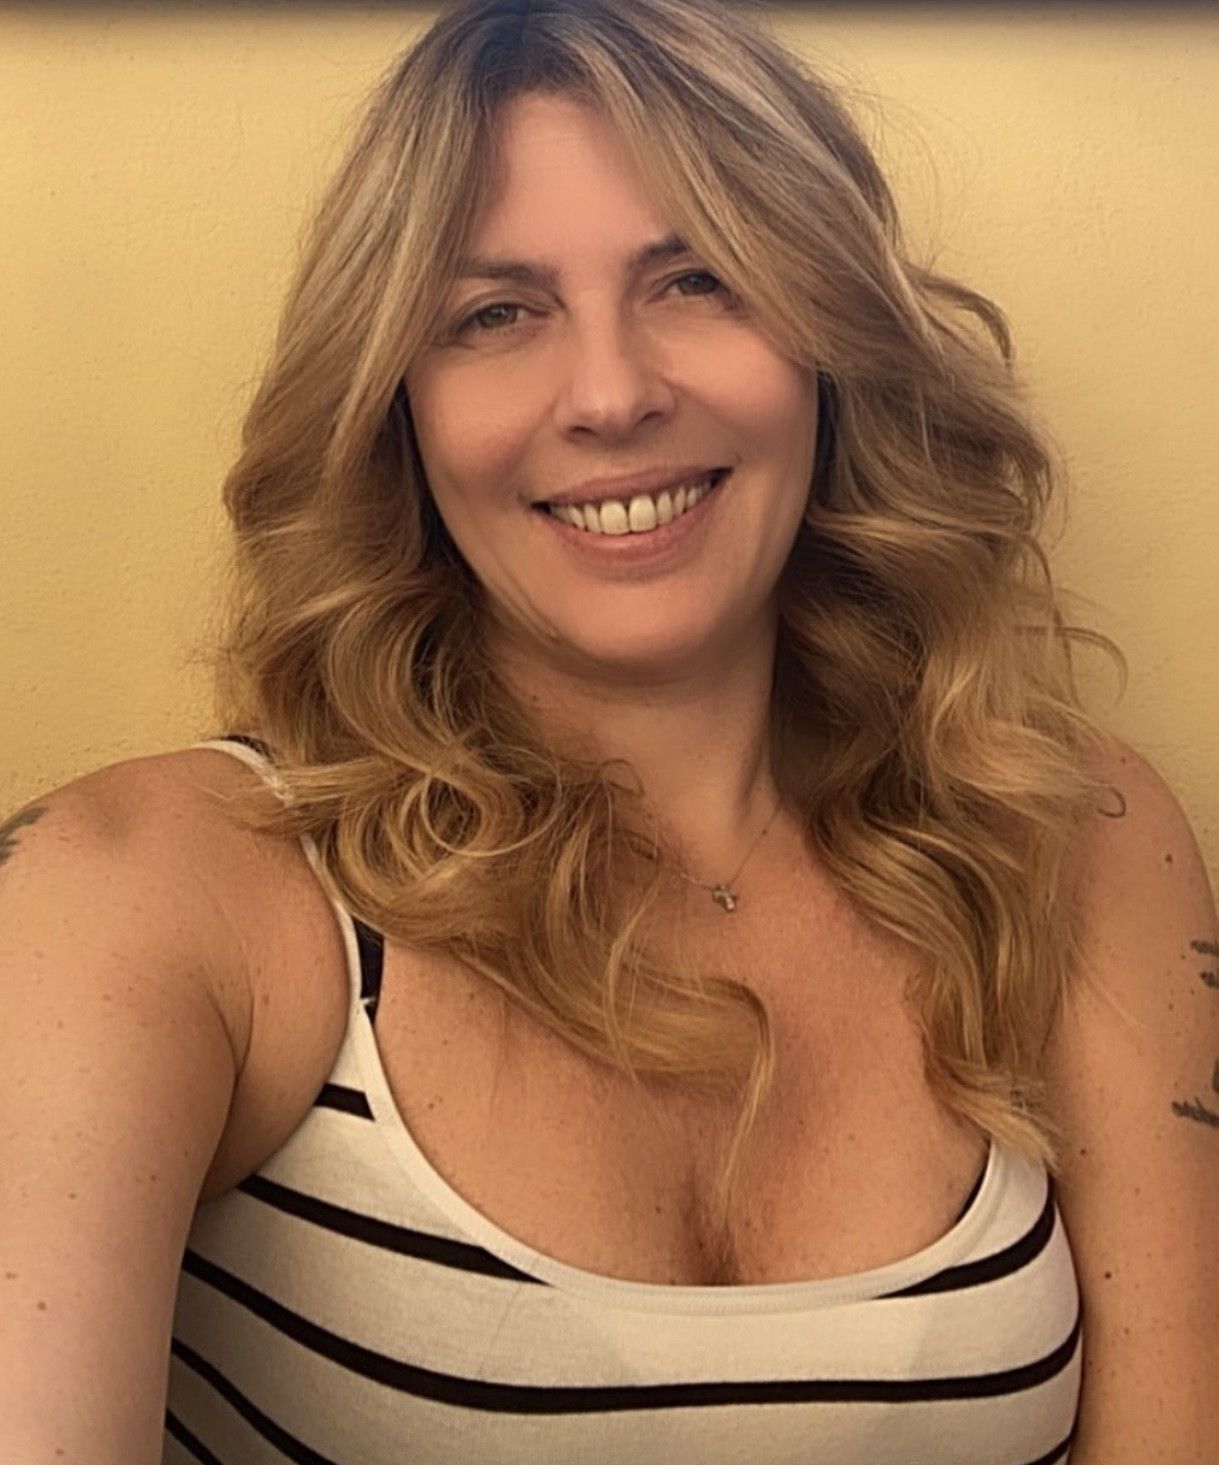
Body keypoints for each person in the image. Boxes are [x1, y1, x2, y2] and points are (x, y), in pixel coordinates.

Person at [2, 0, 1215, 1459]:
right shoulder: (142, 895)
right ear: (395, 404)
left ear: (831, 342)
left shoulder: (1073, 838)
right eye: (495, 314)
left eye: (701, 278)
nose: (613, 393)